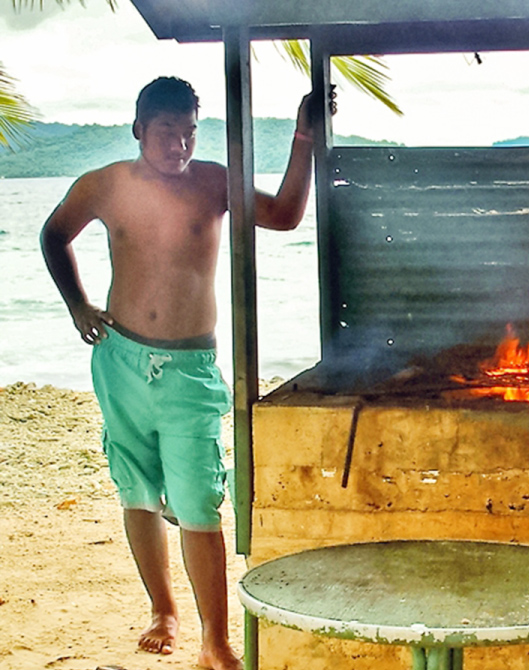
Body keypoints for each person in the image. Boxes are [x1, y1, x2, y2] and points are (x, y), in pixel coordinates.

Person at [40, 76, 332, 670]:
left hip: (190, 371)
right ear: (139, 129)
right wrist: (78, 304)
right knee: (138, 493)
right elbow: (53, 235)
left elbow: (284, 214)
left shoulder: (212, 183)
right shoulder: (104, 186)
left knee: (200, 503)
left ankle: (215, 643)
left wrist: (303, 138)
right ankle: (162, 610)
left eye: (190, 133)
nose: (180, 145)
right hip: (119, 360)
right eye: (168, 132)